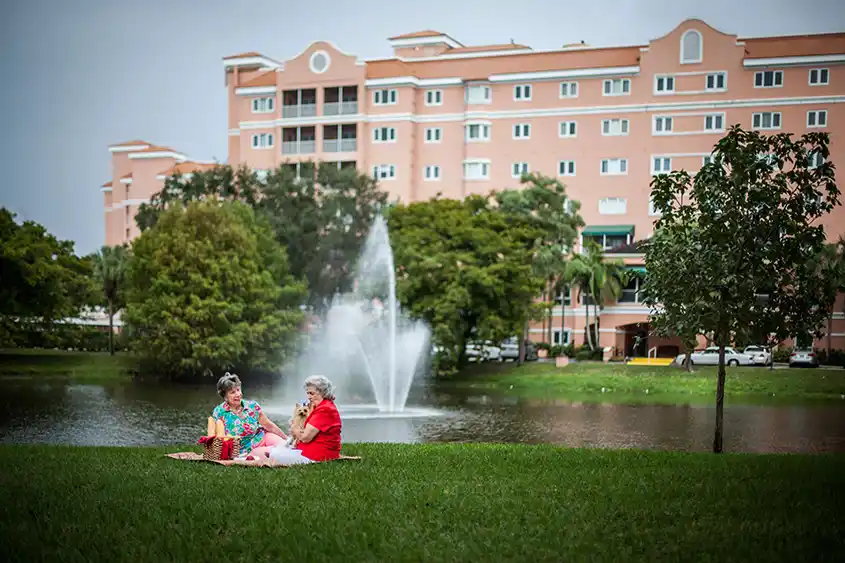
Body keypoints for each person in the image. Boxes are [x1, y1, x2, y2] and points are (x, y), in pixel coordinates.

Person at [250, 375, 342, 465]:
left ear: (322, 393)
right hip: (313, 453)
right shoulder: (323, 406)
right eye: (308, 393)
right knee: (269, 450)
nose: (309, 397)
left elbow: (305, 438)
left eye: (312, 393)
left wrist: (294, 428)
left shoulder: (324, 409)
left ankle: (246, 463)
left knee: (259, 452)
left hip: (315, 456)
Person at [211, 372, 287, 455]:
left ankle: (280, 450)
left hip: (262, 438)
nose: (238, 394)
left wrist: (286, 439)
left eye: (238, 390)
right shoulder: (219, 412)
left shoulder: (252, 406)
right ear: (225, 397)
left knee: (284, 446)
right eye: (233, 392)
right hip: (244, 450)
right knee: (271, 453)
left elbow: (269, 426)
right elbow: (217, 437)